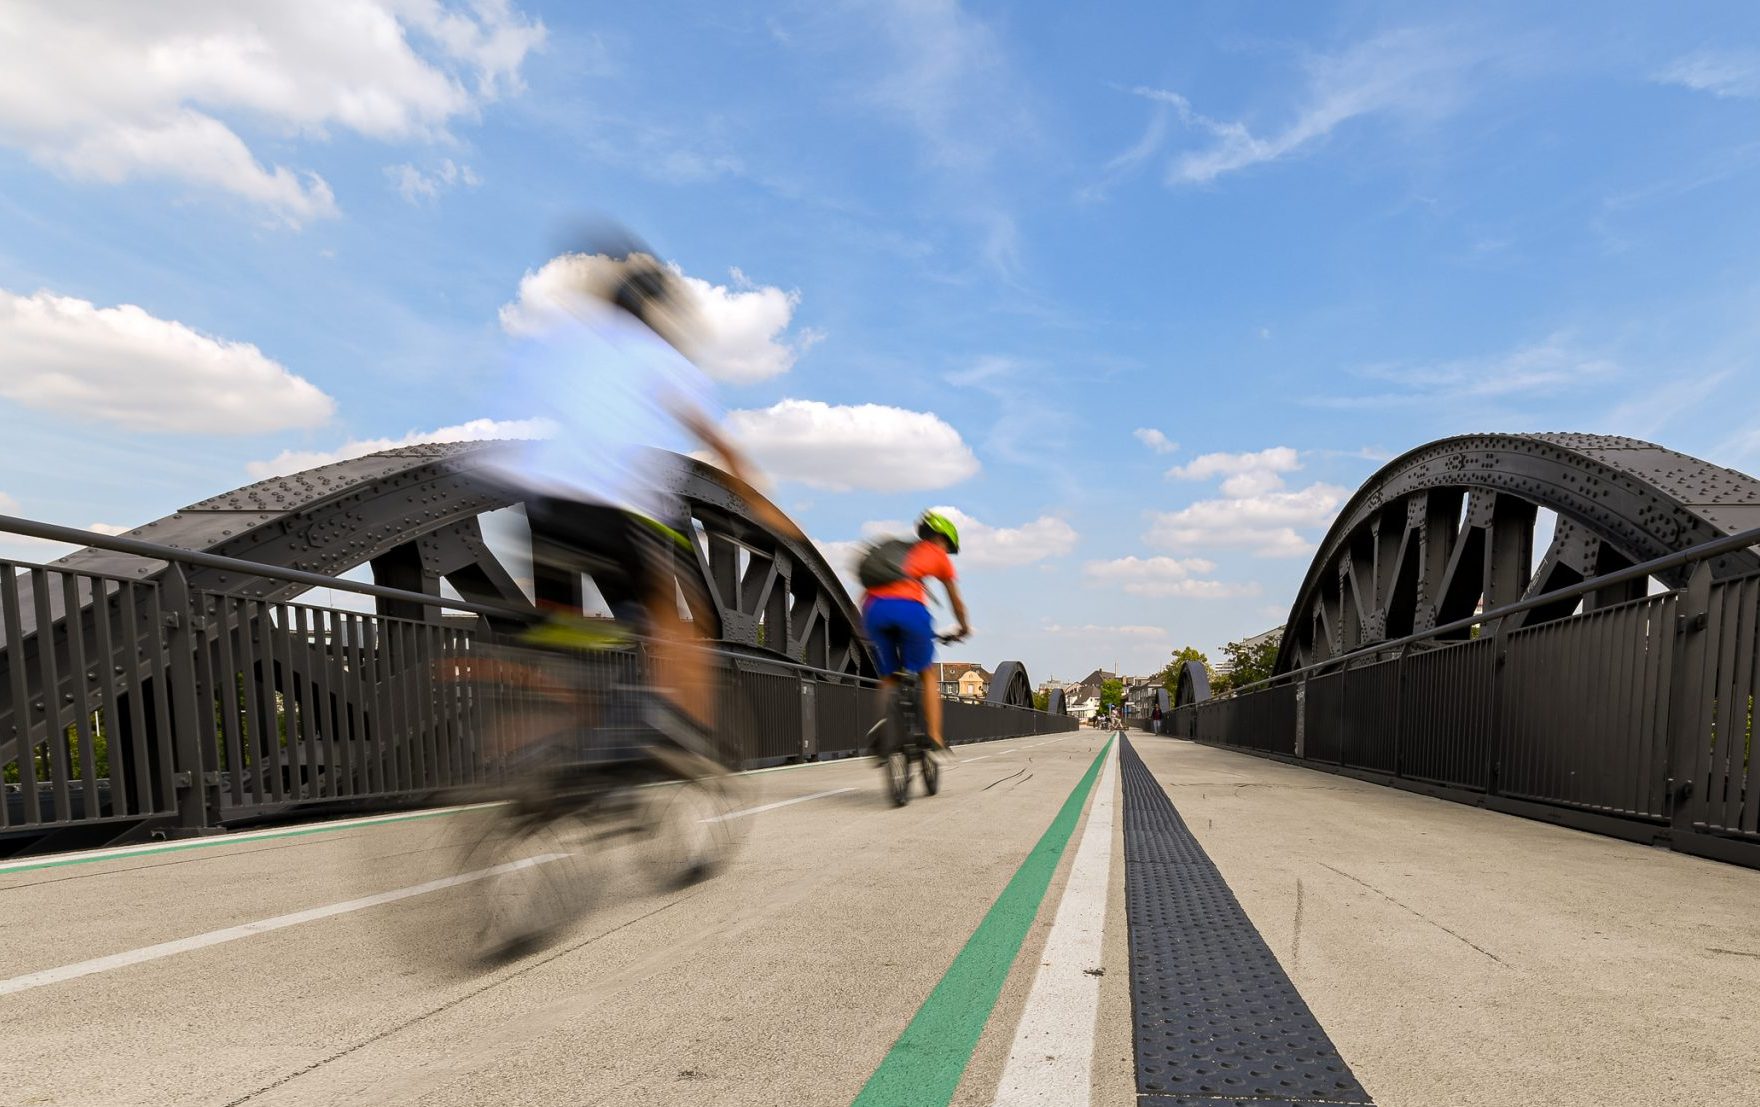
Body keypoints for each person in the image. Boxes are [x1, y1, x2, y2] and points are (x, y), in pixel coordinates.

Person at [487, 233, 797, 769]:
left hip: (542, 509)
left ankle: (545, 756)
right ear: (657, 313)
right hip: (614, 509)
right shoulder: (659, 357)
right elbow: (722, 448)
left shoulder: (573, 349)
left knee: (565, 635)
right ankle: (680, 731)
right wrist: (759, 502)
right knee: (682, 619)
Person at [861, 511, 972, 756]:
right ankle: (934, 735)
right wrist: (963, 628)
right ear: (943, 539)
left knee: (890, 677)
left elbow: (868, 588)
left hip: (873, 610)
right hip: (908, 610)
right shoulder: (935, 554)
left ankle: (882, 726)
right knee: (927, 672)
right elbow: (956, 603)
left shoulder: (896, 552)